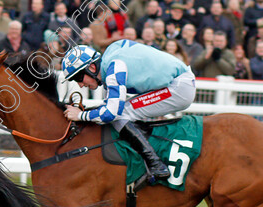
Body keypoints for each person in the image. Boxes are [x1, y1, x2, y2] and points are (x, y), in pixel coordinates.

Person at [62, 41, 197, 183]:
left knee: (122, 114)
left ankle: (155, 164)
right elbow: (109, 106)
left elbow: (111, 113)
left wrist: (80, 115)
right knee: (122, 111)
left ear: (91, 67)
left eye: (78, 78)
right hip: (179, 81)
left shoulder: (114, 67)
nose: (80, 85)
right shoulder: (110, 61)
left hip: (179, 86)